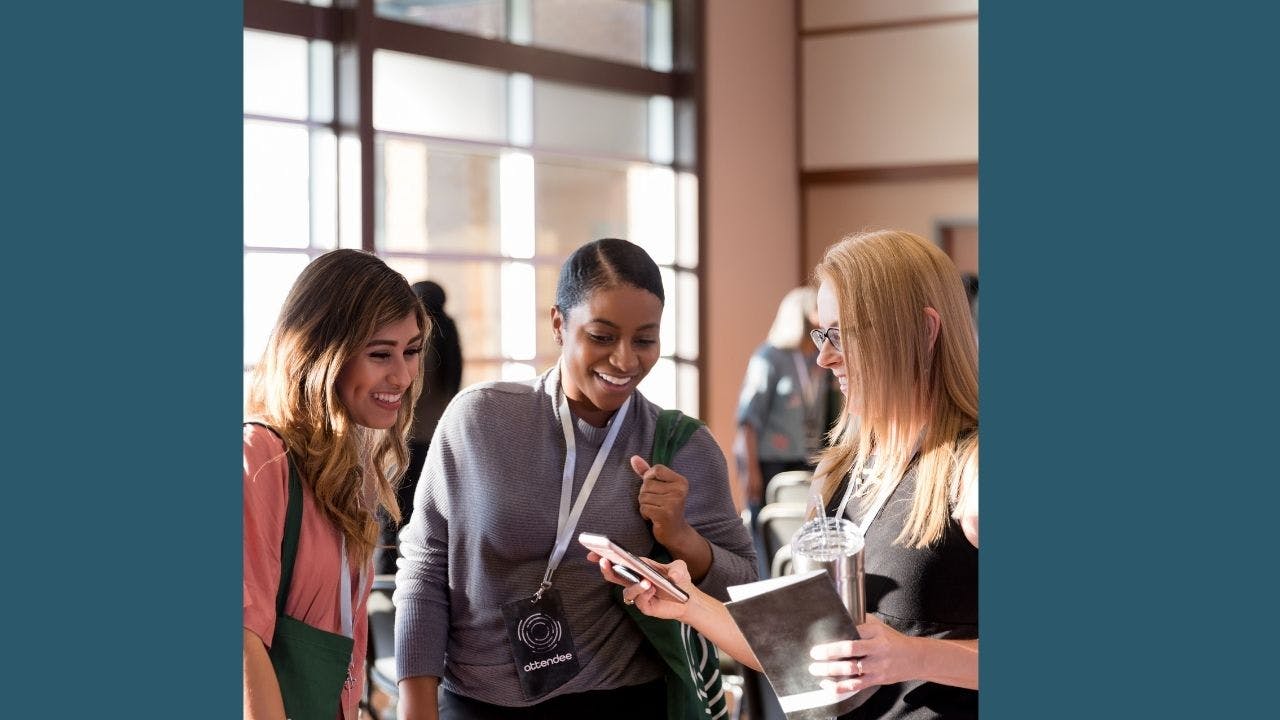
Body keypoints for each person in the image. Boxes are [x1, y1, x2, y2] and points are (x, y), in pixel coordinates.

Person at [595, 229, 979, 719]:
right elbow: (798, 647)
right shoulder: (845, 469)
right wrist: (686, 600)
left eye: (843, 335)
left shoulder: (971, 470)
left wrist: (912, 655)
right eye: (823, 334)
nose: (824, 357)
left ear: (924, 332)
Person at [394, 237, 757, 719]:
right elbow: (426, 567)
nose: (626, 360)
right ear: (559, 325)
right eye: (603, 337)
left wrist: (682, 538)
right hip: (477, 701)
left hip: (625, 700)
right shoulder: (479, 420)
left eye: (645, 339)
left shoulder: (682, 446)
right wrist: (416, 704)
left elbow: (747, 591)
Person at [243, 249, 430, 720]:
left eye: (411, 351)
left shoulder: (347, 471)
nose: (403, 375)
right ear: (321, 353)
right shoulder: (261, 457)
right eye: (380, 354)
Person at [733, 286, 832, 573]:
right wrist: (749, 470)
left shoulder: (817, 359)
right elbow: (747, 420)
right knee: (769, 535)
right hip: (770, 464)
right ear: (799, 314)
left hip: (809, 460)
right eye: (816, 308)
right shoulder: (769, 357)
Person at [375, 280, 463, 575]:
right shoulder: (450, 334)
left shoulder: (422, 339)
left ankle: (389, 571)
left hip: (410, 435)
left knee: (394, 507)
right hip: (435, 436)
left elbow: (408, 391)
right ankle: (413, 569)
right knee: (419, 508)